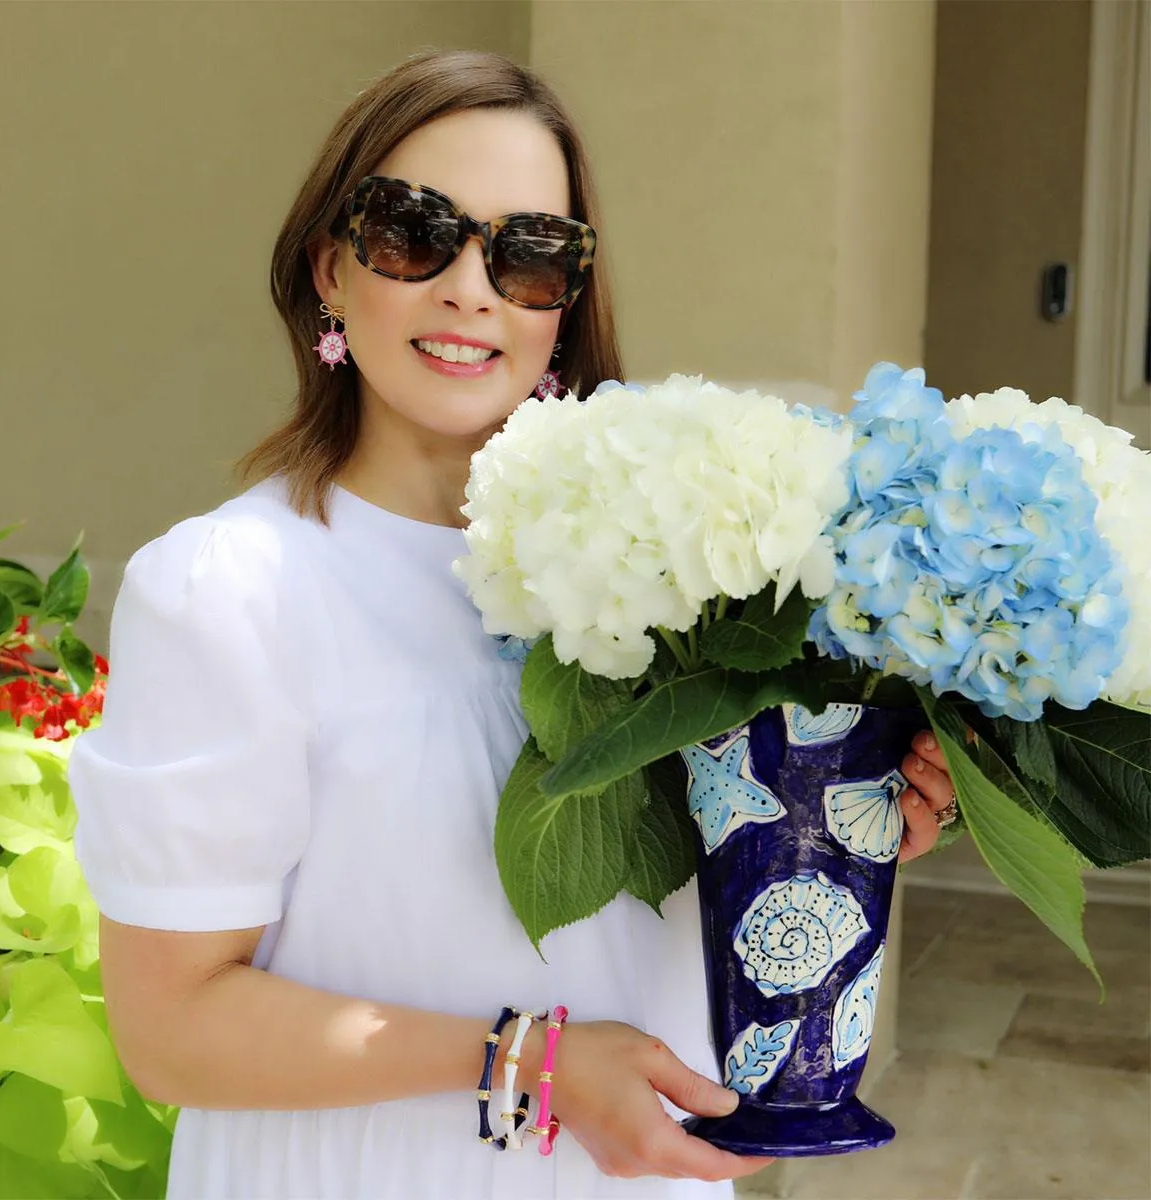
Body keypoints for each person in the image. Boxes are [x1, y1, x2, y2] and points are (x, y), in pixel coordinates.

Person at [67, 49, 958, 1200]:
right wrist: (526, 1066)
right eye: (412, 232)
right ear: (330, 269)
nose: (470, 289)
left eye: (529, 254)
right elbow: (169, 1029)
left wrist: (836, 819)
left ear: (566, 303)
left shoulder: (687, 579)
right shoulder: (228, 588)